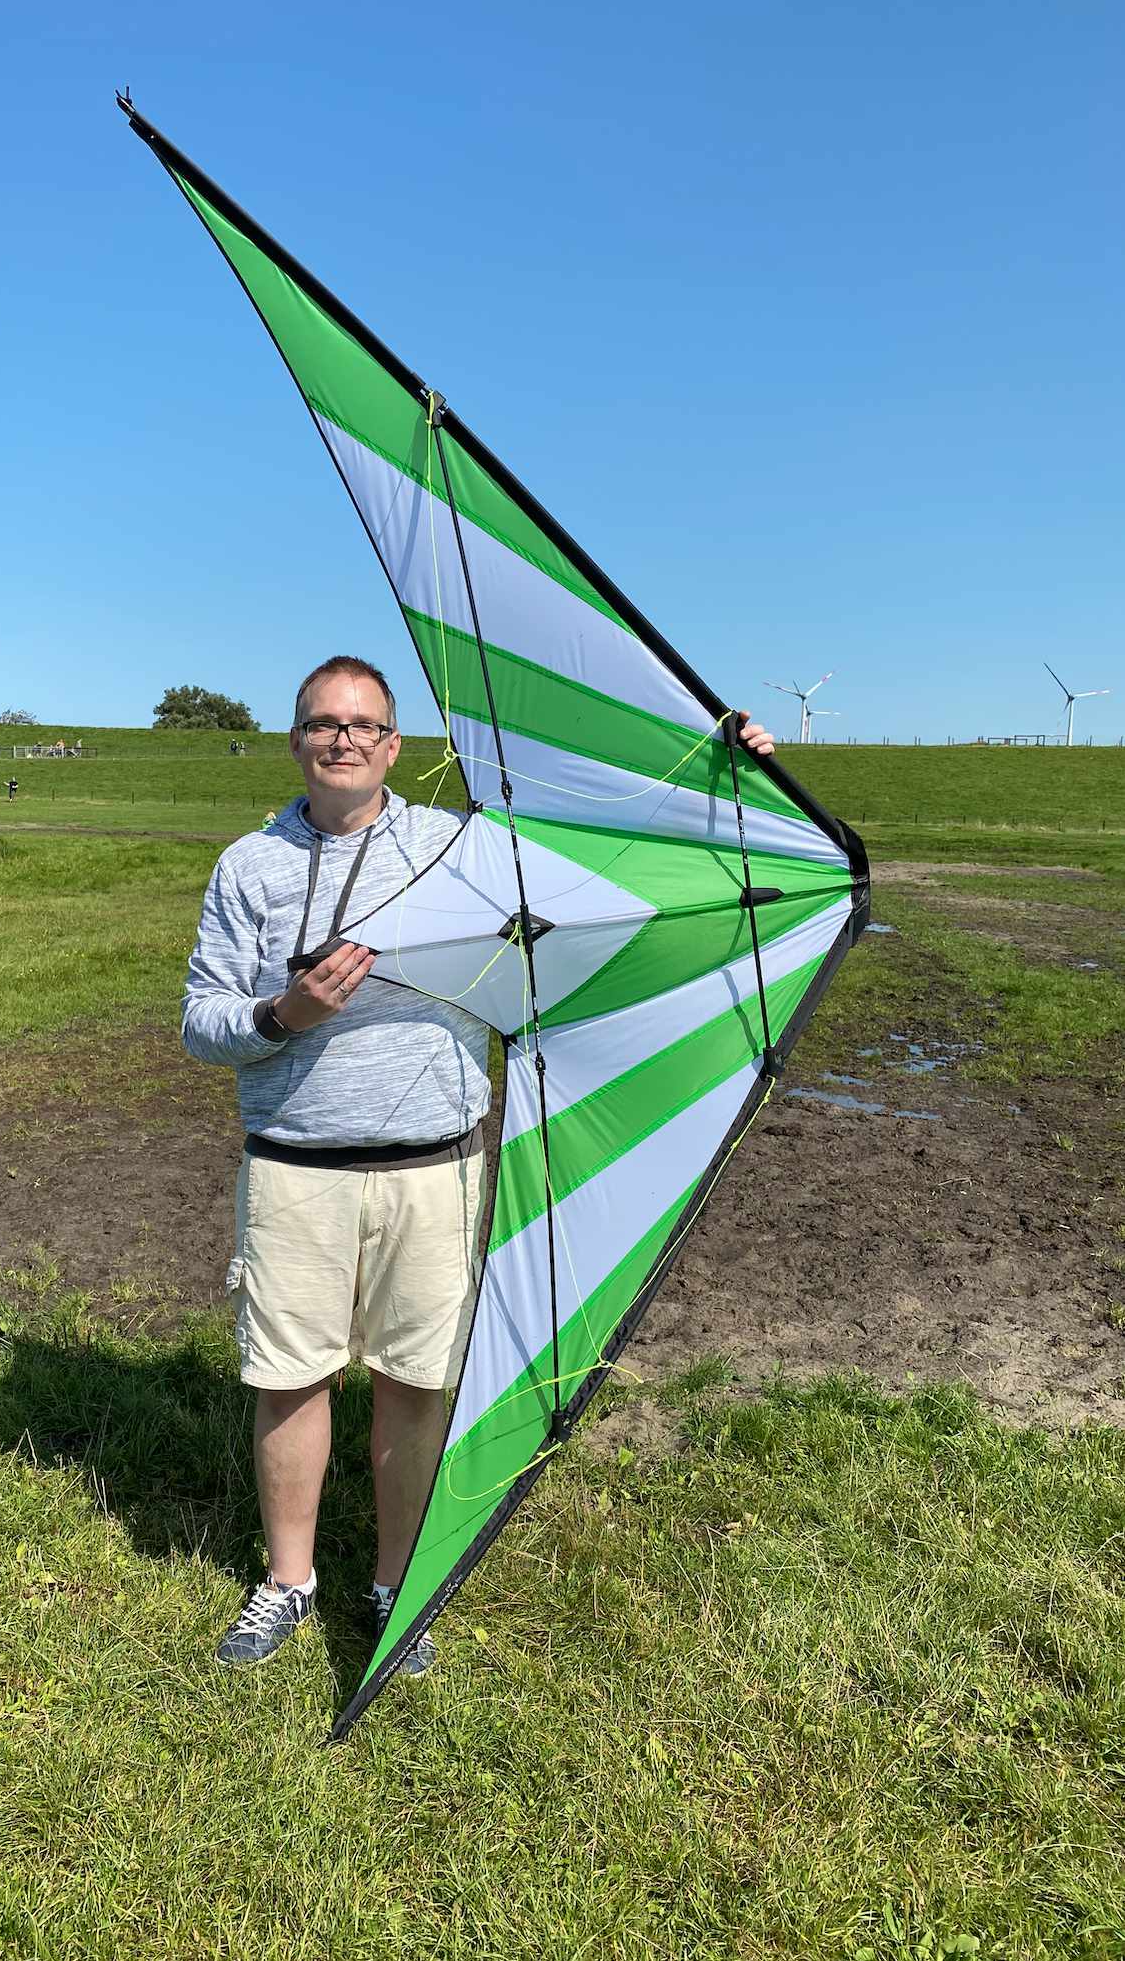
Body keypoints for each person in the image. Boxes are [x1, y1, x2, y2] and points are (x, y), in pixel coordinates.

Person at [183, 653, 776, 1672]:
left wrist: (725, 776)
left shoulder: (460, 848)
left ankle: (395, 1582)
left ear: (394, 746)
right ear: (295, 741)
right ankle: (288, 1581)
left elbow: (611, 847)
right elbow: (202, 1021)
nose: (342, 739)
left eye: (363, 725)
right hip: (295, 1166)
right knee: (288, 1378)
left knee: (416, 1382)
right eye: (323, 723)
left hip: (437, 1168)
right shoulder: (249, 865)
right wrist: (285, 1014)